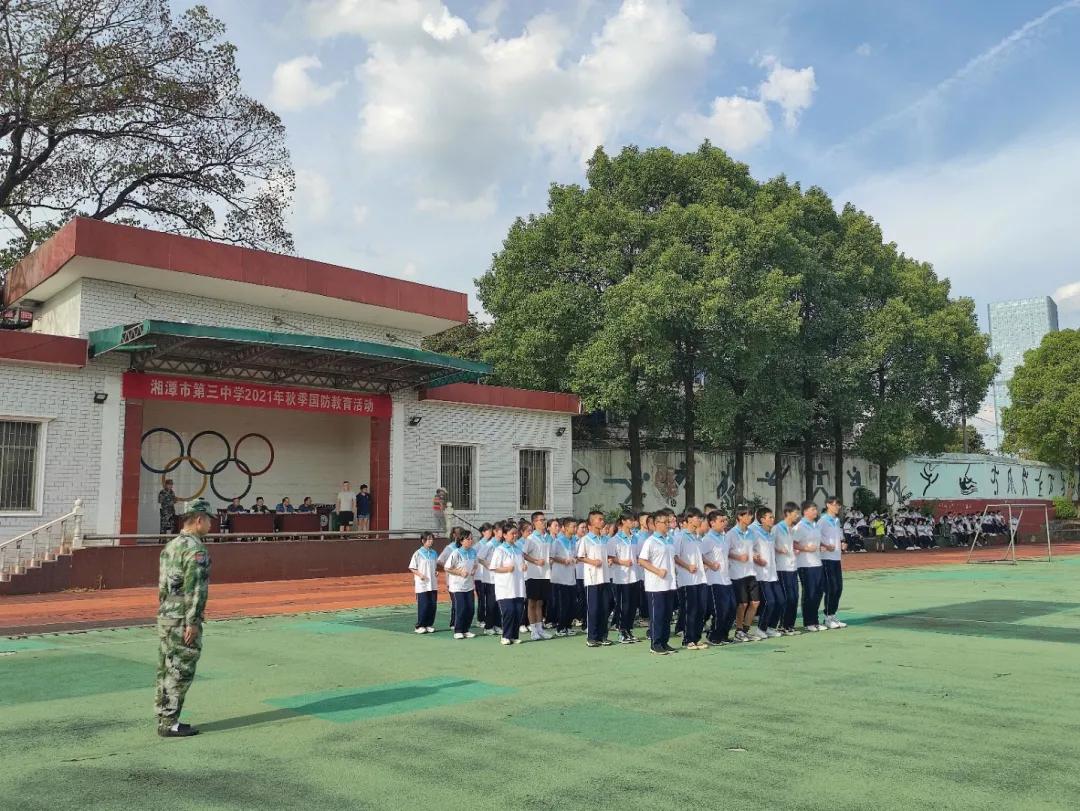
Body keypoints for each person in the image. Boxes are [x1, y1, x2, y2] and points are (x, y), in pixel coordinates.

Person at [155, 498, 212, 737]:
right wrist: (193, 621)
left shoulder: (171, 545)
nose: (210, 525)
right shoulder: (196, 549)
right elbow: (196, 589)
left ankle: (164, 716)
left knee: (165, 667)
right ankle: (170, 722)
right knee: (181, 669)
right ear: (199, 520)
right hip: (182, 617)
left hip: (167, 613)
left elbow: (162, 586)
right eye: (208, 520)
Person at [637, 512, 677, 655]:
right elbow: (641, 560)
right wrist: (657, 571)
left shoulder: (669, 540)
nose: (668, 524)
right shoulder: (651, 541)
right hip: (656, 585)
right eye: (665, 522)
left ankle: (664, 642)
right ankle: (655, 644)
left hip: (670, 584)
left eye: (668, 522)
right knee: (657, 615)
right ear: (656, 524)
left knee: (667, 615)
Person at [674, 508, 708, 649]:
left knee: (701, 609)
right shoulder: (680, 536)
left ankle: (697, 637)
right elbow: (675, 556)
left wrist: (707, 565)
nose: (700, 520)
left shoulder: (698, 537)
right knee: (690, 610)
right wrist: (688, 566)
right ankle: (688, 640)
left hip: (700, 579)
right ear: (688, 519)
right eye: (697, 517)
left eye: (701, 518)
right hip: (687, 580)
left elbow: (700, 556)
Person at [577, 510, 612, 647]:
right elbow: (580, 556)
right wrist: (592, 562)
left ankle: (603, 636)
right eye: (599, 519)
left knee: (605, 608)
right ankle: (592, 637)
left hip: (605, 577)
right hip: (592, 579)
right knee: (593, 608)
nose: (602, 521)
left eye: (603, 519)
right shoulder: (586, 539)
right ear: (591, 522)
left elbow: (608, 555)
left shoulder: (604, 539)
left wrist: (608, 560)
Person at [701, 509, 735, 645]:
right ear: (712, 523)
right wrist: (710, 563)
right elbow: (700, 555)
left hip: (726, 579)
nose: (724, 523)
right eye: (721, 521)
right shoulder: (707, 539)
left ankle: (724, 634)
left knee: (732, 609)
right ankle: (714, 636)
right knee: (720, 611)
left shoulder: (724, 537)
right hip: (714, 580)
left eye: (725, 520)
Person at [489, 524, 527, 645]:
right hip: (505, 587)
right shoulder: (500, 550)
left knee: (518, 611)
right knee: (509, 611)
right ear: (504, 535)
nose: (515, 536)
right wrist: (506, 569)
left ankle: (514, 636)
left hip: (518, 586)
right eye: (512, 533)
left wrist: (524, 566)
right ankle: (505, 635)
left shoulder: (518, 549)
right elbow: (494, 567)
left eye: (516, 533)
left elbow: (521, 563)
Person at [752, 506, 784, 640]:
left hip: (772, 574)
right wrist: (756, 558)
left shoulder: (770, 533)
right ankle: (761, 629)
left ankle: (771, 627)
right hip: (762, 575)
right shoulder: (755, 532)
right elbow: (749, 549)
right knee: (770, 602)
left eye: (772, 517)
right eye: (770, 517)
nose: (773, 519)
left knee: (781, 601)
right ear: (762, 519)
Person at [607, 513, 640, 644]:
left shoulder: (635, 538)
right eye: (630, 520)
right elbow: (610, 557)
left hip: (634, 576)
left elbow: (638, 555)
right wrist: (622, 562)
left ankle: (629, 630)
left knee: (632, 605)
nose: (633, 522)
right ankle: (621, 631)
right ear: (623, 521)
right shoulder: (614, 540)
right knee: (623, 605)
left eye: (633, 520)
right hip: (621, 577)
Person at [727, 506, 758, 642]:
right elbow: (726, 552)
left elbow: (755, 548)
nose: (749, 518)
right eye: (747, 515)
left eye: (751, 515)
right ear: (739, 517)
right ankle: (738, 631)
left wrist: (756, 555)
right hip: (737, 573)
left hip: (751, 572)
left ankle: (746, 629)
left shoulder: (751, 533)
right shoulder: (731, 534)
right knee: (743, 604)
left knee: (755, 602)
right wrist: (738, 557)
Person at [794, 500, 826, 632]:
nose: (816, 512)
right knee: (809, 593)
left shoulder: (815, 525)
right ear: (805, 511)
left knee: (818, 592)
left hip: (817, 563)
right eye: (813, 510)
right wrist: (806, 548)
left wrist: (822, 547)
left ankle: (815, 621)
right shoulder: (800, 526)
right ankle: (808, 622)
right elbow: (793, 544)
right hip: (805, 564)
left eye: (816, 509)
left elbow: (817, 542)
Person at [522, 511, 553, 641]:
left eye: (544, 519)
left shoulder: (548, 537)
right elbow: (523, 554)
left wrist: (550, 559)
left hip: (545, 575)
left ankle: (540, 629)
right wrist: (535, 561)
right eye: (541, 520)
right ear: (534, 522)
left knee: (540, 603)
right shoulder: (530, 538)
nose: (544, 522)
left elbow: (550, 553)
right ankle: (533, 630)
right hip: (533, 575)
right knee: (532, 602)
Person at [819, 496, 848, 630]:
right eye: (836, 504)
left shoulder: (836, 520)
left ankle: (833, 615)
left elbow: (840, 536)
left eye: (839, 505)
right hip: (826, 558)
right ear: (828, 505)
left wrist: (843, 543)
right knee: (831, 588)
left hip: (836, 558)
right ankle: (827, 617)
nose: (838, 507)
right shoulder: (823, 520)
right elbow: (815, 536)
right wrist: (824, 545)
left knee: (839, 588)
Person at [773, 502, 801, 636]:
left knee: (795, 597)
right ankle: (782, 625)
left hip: (793, 567)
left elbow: (794, 543)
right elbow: (769, 545)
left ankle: (790, 625)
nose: (797, 516)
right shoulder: (777, 528)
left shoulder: (793, 529)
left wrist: (796, 549)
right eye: (795, 513)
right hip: (782, 568)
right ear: (788, 513)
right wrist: (779, 549)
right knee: (787, 597)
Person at [445, 531, 478, 639]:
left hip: (469, 585)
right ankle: (458, 630)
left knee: (470, 608)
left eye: (471, 538)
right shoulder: (456, 553)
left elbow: (475, 564)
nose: (470, 541)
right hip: (458, 586)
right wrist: (459, 572)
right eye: (468, 539)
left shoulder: (473, 552)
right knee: (461, 608)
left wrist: (473, 570)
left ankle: (466, 629)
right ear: (461, 541)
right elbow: (447, 568)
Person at [550, 518, 579, 637]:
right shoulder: (558, 541)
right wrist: (564, 560)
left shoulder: (574, 541)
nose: (575, 529)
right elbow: (552, 556)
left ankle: (568, 626)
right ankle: (560, 627)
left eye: (576, 526)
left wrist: (574, 559)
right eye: (573, 526)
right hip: (560, 577)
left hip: (571, 577)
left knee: (572, 604)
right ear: (566, 528)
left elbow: (576, 556)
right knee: (563, 604)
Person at [408, 532, 438, 633]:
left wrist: (436, 572)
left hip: (432, 583)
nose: (431, 541)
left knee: (432, 605)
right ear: (423, 541)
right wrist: (420, 575)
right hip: (422, 584)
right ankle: (420, 626)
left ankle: (429, 624)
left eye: (432, 539)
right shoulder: (418, 553)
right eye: (429, 539)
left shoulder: (434, 553)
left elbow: (434, 566)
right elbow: (412, 567)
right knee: (424, 605)